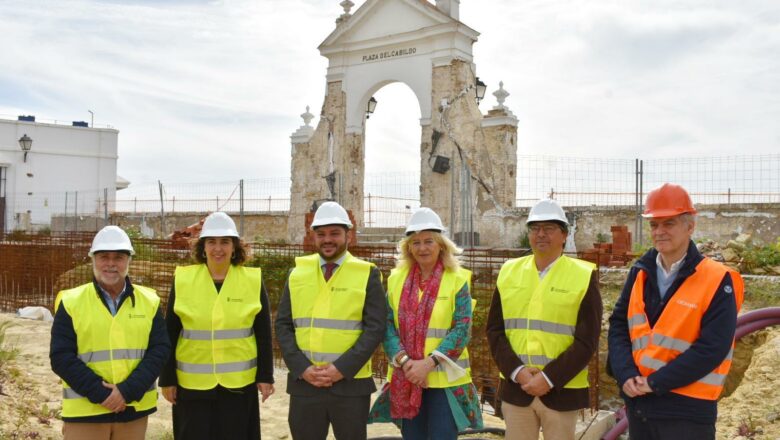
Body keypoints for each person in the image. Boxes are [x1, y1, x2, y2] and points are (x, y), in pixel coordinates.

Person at [607, 183, 743, 440]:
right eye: (653, 225)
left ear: (689, 226)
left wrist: (654, 383)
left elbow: (712, 348)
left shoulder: (717, 278)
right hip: (641, 407)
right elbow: (618, 326)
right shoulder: (640, 272)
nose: (659, 232)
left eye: (668, 224)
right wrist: (625, 375)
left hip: (687, 412)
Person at [486, 199, 602, 440]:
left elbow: (587, 341)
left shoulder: (582, 275)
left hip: (561, 391)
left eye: (549, 228)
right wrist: (517, 371)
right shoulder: (508, 271)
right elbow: (495, 331)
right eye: (535, 229)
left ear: (564, 235)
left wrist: (549, 378)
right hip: (517, 388)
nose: (541, 234)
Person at [368, 207, 483, 439]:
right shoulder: (396, 279)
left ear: (441, 244)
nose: (422, 248)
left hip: (444, 381)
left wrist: (427, 364)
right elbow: (387, 325)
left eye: (428, 241)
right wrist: (407, 362)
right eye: (416, 242)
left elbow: (462, 328)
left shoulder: (458, 279)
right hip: (408, 377)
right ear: (408, 247)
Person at [275, 201, 386, 440]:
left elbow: (375, 328)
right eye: (321, 234)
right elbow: (283, 325)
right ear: (313, 236)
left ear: (348, 235)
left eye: (335, 233)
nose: (327, 239)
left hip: (350, 385)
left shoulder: (367, 273)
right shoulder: (297, 274)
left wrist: (341, 369)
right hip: (305, 383)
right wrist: (303, 369)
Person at [159, 212, 274, 440]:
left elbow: (263, 334)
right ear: (202, 247)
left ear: (234, 247)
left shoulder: (251, 280)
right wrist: (167, 378)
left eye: (225, 242)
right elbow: (170, 333)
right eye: (211, 242)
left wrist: (265, 375)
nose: (218, 248)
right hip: (192, 386)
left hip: (239, 386)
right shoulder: (183, 279)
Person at [50, 226, 170, 440]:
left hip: (133, 410)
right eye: (104, 256)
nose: (111, 263)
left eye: (119, 257)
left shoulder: (149, 301)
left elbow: (160, 350)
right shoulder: (71, 302)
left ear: (128, 260)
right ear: (93, 259)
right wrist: (103, 394)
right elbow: (61, 357)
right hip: (86, 412)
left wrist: (126, 391)